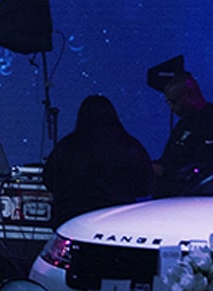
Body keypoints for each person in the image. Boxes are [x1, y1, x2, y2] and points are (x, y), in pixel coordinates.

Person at [43, 95, 154, 225]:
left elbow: (49, 179)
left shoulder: (67, 146)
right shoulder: (131, 146)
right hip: (117, 219)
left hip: (72, 218)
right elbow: (145, 186)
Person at [154, 74, 213, 196]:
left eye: (173, 101)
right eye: (168, 102)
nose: (171, 108)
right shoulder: (184, 124)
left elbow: (211, 163)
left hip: (195, 197)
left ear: (188, 96)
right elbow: (171, 156)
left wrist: (167, 171)